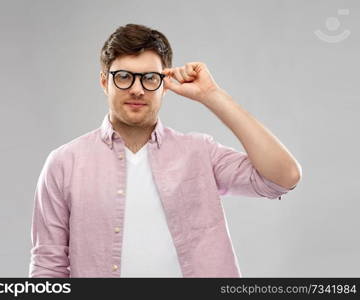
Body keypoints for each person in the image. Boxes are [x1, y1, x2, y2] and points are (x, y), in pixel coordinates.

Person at [29, 24, 301, 278]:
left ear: (164, 83)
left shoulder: (199, 152)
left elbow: (283, 176)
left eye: (149, 78)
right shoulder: (65, 163)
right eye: (123, 77)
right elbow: (47, 265)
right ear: (104, 82)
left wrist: (211, 95)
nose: (137, 89)